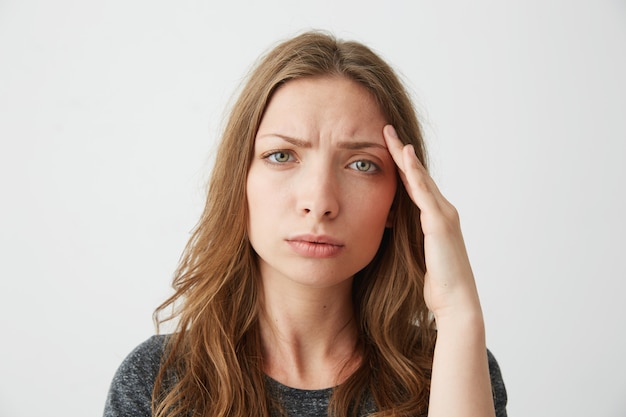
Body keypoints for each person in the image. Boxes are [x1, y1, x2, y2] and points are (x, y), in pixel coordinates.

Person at [103, 31, 507, 417]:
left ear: (399, 199)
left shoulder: (454, 364)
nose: (319, 202)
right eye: (282, 156)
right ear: (238, 181)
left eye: (362, 164)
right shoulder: (157, 383)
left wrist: (458, 311)